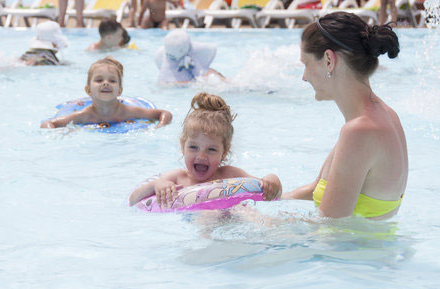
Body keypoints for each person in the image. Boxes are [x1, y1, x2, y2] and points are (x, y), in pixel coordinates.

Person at [282, 12, 408, 220]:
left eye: (306, 64)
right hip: (370, 248)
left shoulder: (360, 131)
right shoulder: (384, 115)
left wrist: (255, 221)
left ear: (329, 60)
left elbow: (330, 226)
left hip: (354, 251)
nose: (304, 77)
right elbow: (317, 188)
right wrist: (263, 199)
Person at [129, 92, 282, 207]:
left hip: (236, 217)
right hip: (201, 222)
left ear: (224, 153)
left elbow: (266, 189)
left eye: (211, 150)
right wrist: (156, 185)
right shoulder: (177, 178)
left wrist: (272, 179)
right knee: (207, 218)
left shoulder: (230, 175)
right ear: (183, 147)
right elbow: (133, 200)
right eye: (193, 147)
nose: (201, 156)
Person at [40, 57, 172, 129]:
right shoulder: (84, 115)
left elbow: (164, 114)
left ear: (120, 90)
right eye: (99, 80)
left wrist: (159, 127)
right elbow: (48, 123)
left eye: (112, 81)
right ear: (88, 90)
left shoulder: (128, 111)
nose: (105, 83)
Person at [154, 30, 226, 85]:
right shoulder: (205, 73)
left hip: (177, 85)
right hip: (198, 83)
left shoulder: (165, 79)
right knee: (211, 75)